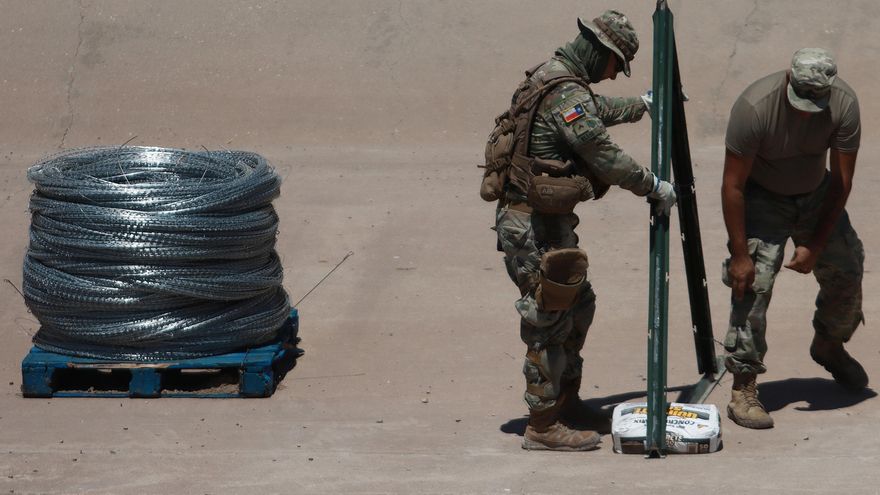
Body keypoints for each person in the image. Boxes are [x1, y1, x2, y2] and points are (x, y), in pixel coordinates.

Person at [491, 10, 676, 451]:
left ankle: (566, 400)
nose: (613, 75)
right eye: (616, 65)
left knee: (579, 306)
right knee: (549, 319)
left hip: (547, 224)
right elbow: (601, 152)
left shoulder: (554, 79)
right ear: (601, 52)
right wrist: (652, 186)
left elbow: (593, 112)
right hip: (532, 228)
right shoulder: (565, 91)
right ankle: (541, 425)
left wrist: (642, 105)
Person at [721, 48, 867, 430]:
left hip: (817, 194)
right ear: (789, 79)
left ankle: (829, 345)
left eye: (815, 103)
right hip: (763, 196)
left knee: (848, 269)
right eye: (800, 100)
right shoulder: (755, 108)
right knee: (753, 282)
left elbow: (841, 180)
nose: (806, 111)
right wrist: (739, 253)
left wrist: (816, 244)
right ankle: (744, 385)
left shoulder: (844, 106)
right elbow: (733, 185)